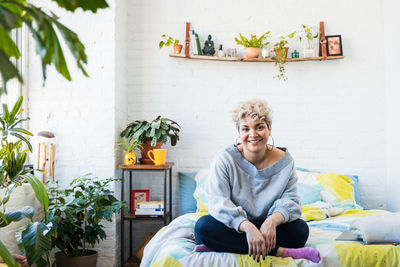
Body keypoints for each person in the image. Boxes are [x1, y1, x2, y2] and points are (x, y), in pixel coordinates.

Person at [194, 99, 320, 263]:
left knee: (300, 230)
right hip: (235, 227)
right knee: (203, 227)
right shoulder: (224, 159)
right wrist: (246, 226)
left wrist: (272, 221)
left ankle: (224, 245)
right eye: (245, 129)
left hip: (269, 226)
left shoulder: (285, 161)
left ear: (269, 128)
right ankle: (280, 252)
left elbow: (292, 200)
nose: (253, 134)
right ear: (239, 133)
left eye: (259, 127)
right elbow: (217, 201)